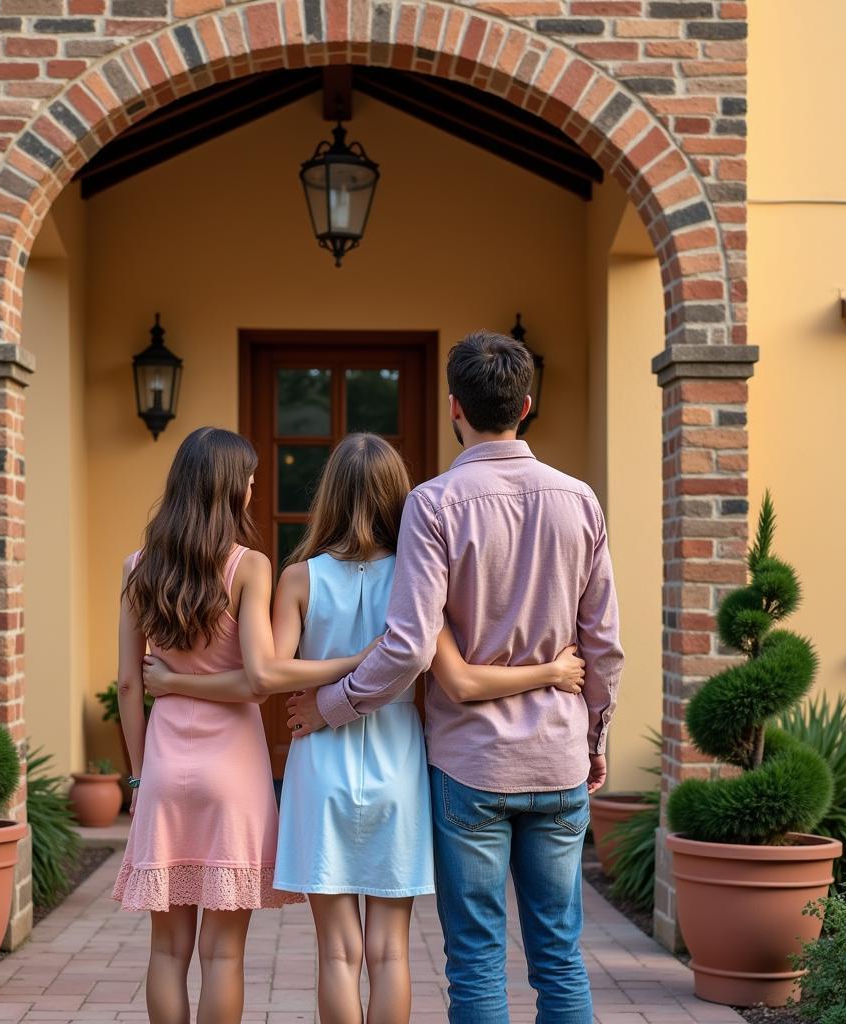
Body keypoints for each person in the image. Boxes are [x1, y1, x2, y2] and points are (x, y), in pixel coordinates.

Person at [146, 432, 588, 1024]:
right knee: (389, 952)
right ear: (396, 497)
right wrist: (552, 670)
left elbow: (269, 673)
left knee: (337, 953)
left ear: (328, 495)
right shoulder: (420, 578)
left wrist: (326, 685)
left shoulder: (299, 577)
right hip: (397, 763)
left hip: (319, 762)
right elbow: (450, 672)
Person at [288, 331, 625, 1024]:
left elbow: (409, 647)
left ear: (453, 408)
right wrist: (594, 737)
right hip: (558, 759)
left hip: (471, 764)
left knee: (475, 958)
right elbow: (606, 647)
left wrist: (334, 706)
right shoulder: (580, 501)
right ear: (526, 405)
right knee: (560, 954)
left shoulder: (435, 504)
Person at [114, 426, 376, 1024]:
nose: (256, 488)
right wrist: (358, 660)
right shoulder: (248, 566)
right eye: (251, 479)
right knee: (223, 954)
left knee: (167, 950)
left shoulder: (138, 567)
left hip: (162, 767)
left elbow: (131, 683)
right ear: (231, 489)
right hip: (232, 771)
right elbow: (261, 679)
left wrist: (137, 774)